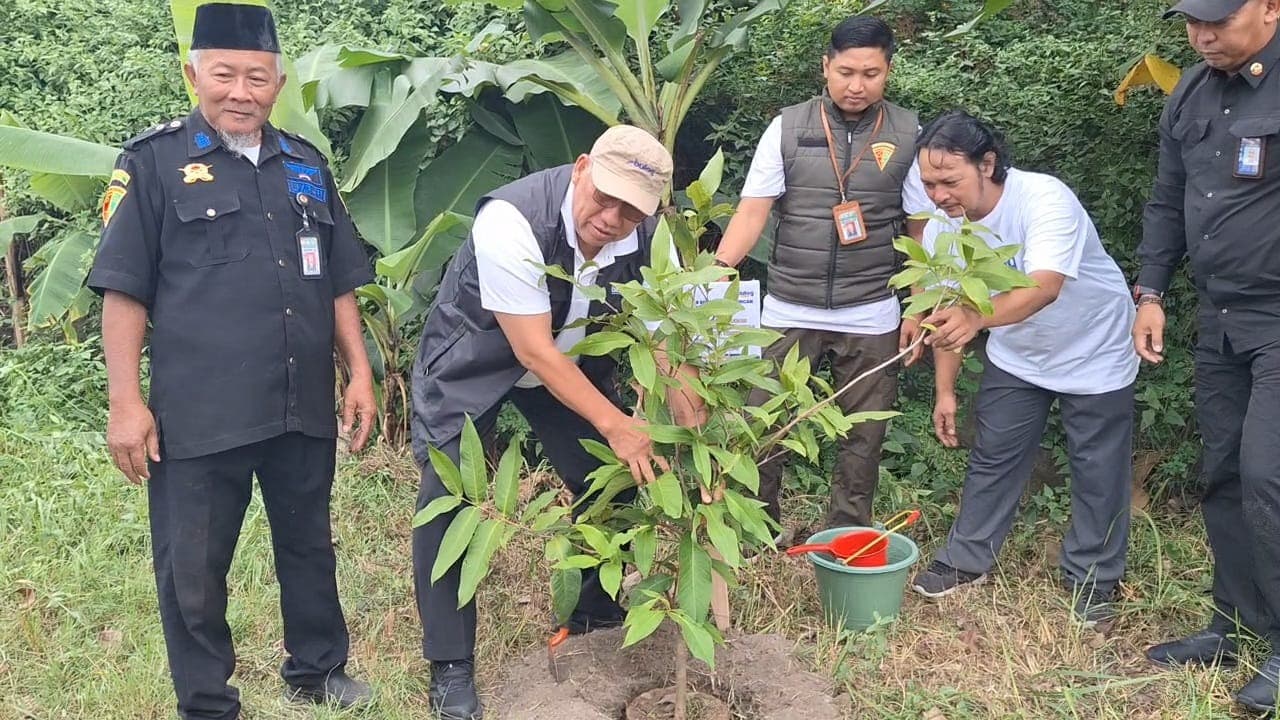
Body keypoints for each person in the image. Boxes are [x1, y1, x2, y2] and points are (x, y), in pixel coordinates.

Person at [87, 5, 375, 718]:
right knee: (193, 565)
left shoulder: (306, 165)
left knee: (309, 544)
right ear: (194, 75)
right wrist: (126, 401)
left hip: (297, 400)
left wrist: (360, 371)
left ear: (278, 82)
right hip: (200, 409)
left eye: (256, 77)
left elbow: (337, 278)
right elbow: (123, 290)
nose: (239, 92)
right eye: (223, 75)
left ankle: (317, 670)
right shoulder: (151, 164)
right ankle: (207, 700)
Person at [410, 125, 700, 720]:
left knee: (608, 480)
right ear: (582, 166)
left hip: (573, 359)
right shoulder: (511, 220)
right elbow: (533, 353)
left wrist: (687, 414)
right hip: (478, 356)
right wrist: (619, 423)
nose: (613, 217)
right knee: (450, 501)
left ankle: (593, 615)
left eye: (632, 210)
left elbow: (663, 329)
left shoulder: (650, 237)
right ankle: (450, 664)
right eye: (606, 196)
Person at [904, 111, 1139, 628]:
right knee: (994, 454)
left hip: (1093, 349)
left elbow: (1044, 286)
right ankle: (967, 560)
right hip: (1018, 354)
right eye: (928, 183)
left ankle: (1094, 579)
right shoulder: (944, 226)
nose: (938, 195)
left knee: (1098, 470)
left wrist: (973, 316)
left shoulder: (1044, 199)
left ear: (987, 164)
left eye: (949, 181)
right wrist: (945, 391)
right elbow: (950, 311)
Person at [713, 15, 932, 535]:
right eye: (847, 71)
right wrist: (718, 271)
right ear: (825, 67)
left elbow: (920, 229)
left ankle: (847, 532)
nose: (857, 85)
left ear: (889, 71)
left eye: (872, 74)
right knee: (762, 424)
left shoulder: (908, 132)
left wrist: (918, 304)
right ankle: (757, 529)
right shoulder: (788, 126)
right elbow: (752, 211)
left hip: (873, 310)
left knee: (863, 436)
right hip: (788, 305)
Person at [1133, 0, 1280, 711]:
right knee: (1221, 470)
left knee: (1268, 475)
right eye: (1193, 21)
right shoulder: (1191, 91)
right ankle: (1234, 621)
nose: (1202, 34)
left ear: (1272, 9)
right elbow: (1168, 199)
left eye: (1218, 20)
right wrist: (1151, 292)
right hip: (1220, 319)